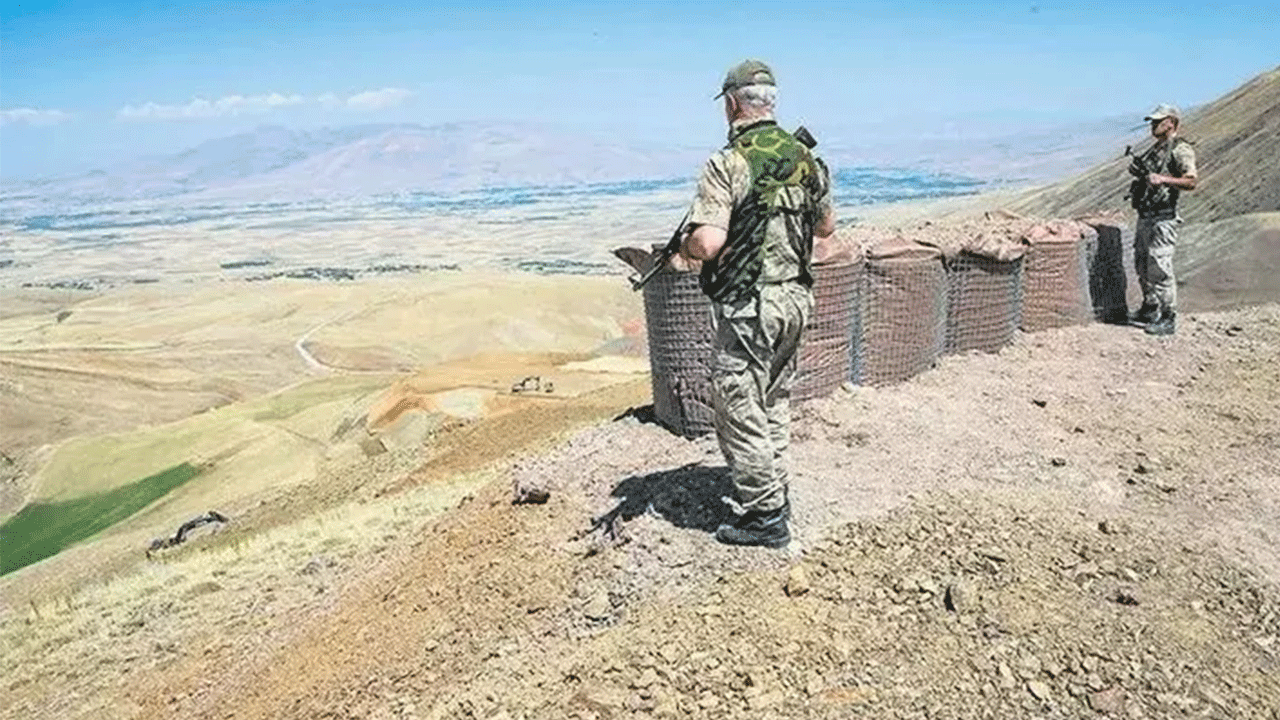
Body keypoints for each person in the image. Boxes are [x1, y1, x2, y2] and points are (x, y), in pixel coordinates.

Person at [677, 59, 835, 548]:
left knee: (738, 406)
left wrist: (685, 245)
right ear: (771, 103)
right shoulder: (806, 158)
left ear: (730, 105)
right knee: (774, 399)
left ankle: (765, 515)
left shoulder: (727, 163)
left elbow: (707, 244)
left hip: (749, 307)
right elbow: (826, 227)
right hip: (795, 300)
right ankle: (776, 489)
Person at [1127, 103, 1198, 336]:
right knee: (1142, 264)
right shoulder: (1158, 148)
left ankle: (1168, 317)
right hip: (1147, 215)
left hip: (1163, 217)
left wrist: (1163, 180)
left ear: (1172, 123)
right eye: (1153, 122)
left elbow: (1191, 181)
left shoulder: (1180, 149)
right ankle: (1150, 307)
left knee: (1160, 267)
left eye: (1159, 121)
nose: (1154, 125)